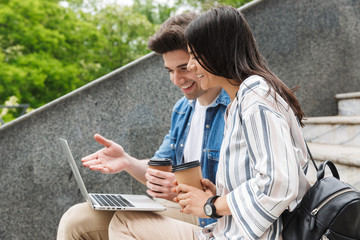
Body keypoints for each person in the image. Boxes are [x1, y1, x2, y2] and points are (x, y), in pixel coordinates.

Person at [106, 6, 311, 240]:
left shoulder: (256, 98)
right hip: (229, 230)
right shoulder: (241, 102)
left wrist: (211, 205)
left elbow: (279, 185)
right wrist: (216, 195)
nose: (191, 67)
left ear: (218, 52)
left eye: (193, 57)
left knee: (125, 223)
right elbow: (260, 179)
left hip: (250, 235)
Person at [57, 12, 230, 240]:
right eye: (170, 71)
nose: (176, 80)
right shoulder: (183, 109)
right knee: (77, 219)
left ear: (204, 59)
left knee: (126, 223)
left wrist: (180, 190)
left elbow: (251, 189)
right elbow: (159, 170)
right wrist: (127, 162)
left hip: (215, 218)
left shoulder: (236, 107)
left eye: (183, 68)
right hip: (184, 209)